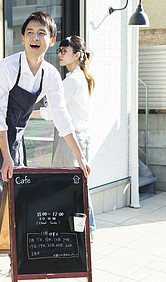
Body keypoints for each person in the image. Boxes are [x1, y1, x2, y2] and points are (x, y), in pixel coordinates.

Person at [0, 12, 91, 282]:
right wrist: (7, 158)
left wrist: (80, 158)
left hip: (13, 140)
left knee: (17, 201)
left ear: (51, 39)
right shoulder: (6, 68)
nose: (36, 38)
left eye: (42, 33)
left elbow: (62, 118)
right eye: (31, 32)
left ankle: (18, 261)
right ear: (23, 38)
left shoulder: (50, 75)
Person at [50, 35, 96, 234]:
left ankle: (83, 229)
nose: (59, 54)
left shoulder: (72, 80)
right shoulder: (76, 77)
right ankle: (88, 229)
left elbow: (53, 110)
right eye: (59, 50)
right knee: (77, 182)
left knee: (71, 183)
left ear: (76, 55)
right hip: (77, 135)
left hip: (72, 137)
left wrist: (28, 113)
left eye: (64, 51)